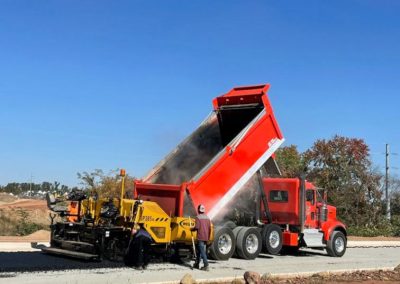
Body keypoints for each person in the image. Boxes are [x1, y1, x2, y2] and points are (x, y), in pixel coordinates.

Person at [192, 204, 212, 271]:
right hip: (206, 237)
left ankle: (206, 265)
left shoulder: (198, 217)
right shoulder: (208, 218)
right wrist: (208, 238)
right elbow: (210, 228)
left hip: (200, 237)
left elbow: (197, 227)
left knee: (202, 251)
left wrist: (192, 229)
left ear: (198, 210)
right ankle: (197, 264)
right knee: (199, 251)